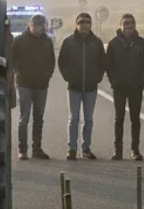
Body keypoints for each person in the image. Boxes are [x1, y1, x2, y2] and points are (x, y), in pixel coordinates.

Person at [58, 12, 106, 160]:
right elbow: (62, 62)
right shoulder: (68, 42)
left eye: (87, 22)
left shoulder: (96, 42)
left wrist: (97, 78)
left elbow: (102, 63)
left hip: (91, 88)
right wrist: (68, 77)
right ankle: (72, 148)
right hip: (74, 87)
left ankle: (86, 148)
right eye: (81, 22)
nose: (84, 25)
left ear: (90, 25)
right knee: (73, 118)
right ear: (76, 24)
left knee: (89, 119)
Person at [105, 13, 144, 160]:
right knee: (119, 119)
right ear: (120, 25)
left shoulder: (142, 43)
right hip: (119, 87)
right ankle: (118, 151)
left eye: (131, 23)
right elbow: (108, 65)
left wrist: (141, 82)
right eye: (125, 23)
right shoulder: (113, 44)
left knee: (135, 119)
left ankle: (135, 150)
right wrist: (113, 81)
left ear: (135, 26)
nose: (128, 26)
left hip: (136, 87)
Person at [12, 14, 56, 160]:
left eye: (42, 26)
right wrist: (14, 78)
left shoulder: (47, 41)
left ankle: (37, 149)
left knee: (39, 118)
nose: (39, 29)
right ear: (29, 26)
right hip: (25, 84)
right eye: (36, 26)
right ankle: (22, 149)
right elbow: (12, 61)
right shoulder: (19, 41)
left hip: (42, 85)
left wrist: (48, 75)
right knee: (24, 118)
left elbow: (51, 60)